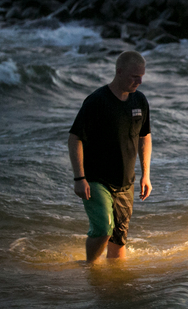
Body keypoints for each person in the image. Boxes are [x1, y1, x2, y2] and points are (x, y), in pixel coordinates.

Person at [68, 51, 152, 263]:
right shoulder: (97, 101)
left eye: (141, 76)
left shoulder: (139, 101)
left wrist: (146, 175)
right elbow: (75, 137)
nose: (139, 81)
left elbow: (145, 136)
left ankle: (113, 287)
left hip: (126, 182)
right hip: (97, 180)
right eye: (134, 76)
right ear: (119, 71)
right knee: (104, 229)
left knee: (118, 240)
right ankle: (90, 270)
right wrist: (79, 178)